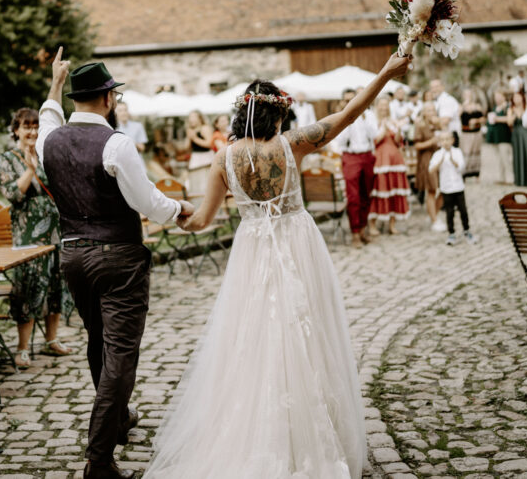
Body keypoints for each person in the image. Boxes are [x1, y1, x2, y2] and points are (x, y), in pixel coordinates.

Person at [144, 52, 412, 479]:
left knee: (253, 341)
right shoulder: (295, 145)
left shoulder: (222, 159)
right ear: (278, 114)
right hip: (298, 245)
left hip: (252, 252)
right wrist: (385, 72)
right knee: (306, 335)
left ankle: (259, 435)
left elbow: (198, 222)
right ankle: (307, 435)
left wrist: (167, 210)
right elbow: (348, 114)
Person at [36, 48, 193, 479]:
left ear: (75, 100)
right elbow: (147, 202)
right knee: (120, 355)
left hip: (72, 256)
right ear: (108, 99)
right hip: (118, 258)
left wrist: (54, 81)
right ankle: (99, 460)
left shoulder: (47, 139)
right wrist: (181, 209)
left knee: (97, 340)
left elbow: (48, 114)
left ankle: (119, 419)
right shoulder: (116, 142)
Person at [0, 108, 74, 369]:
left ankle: (51, 340)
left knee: (56, 284)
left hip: (56, 229)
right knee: (29, 287)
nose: (31, 131)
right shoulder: (8, 158)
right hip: (28, 232)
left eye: (35, 126)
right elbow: (12, 194)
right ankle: (22, 347)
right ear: (16, 130)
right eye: (25, 126)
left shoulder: (47, 155)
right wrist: (29, 170)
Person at [330, 88, 378, 247]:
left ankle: (363, 229)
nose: (351, 101)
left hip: (367, 156)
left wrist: (362, 117)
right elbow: (340, 141)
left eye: (354, 98)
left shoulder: (369, 114)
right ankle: (355, 233)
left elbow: (374, 135)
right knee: (353, 197)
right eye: (347, 99)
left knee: (366, 194)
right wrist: (349, 119)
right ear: (343, 101)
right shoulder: (342, 117)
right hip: (350, 156)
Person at [369, 96, 410, 234]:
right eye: (381, 105)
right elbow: (373, 141)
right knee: (379, 191)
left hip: (395, 160)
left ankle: (392, 225)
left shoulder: (393, 121)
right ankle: (373, 224)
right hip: (380, 160)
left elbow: (398, 142)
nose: (384, 108)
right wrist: (383, 129)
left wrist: (397, 129)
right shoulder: (372, 121)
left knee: (394, 191)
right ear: (377, 106)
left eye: (386, 105)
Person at [429, 130, 477, 246]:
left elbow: (462, 167)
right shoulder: (437, 154)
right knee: (449, 212)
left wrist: (453, 162)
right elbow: (431, 170)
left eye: (447, 139)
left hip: (458, 187)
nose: (445, 142)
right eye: (443, 140)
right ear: (440, 142)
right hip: (446, 188)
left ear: (452, 140)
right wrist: (439, 163)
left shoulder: (457, 152)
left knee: (463, 210)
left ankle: (467, 230)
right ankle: (451, 233)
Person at [412, 101, 443, 232]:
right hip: (427, 159)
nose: (431, 113)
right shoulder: (420, 126)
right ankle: (434, 220)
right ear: (424, 112)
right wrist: (431, 142)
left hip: (439, 158)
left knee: (443, 189)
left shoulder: (437, 125)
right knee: (431, 190)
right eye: (429, 110)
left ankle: (433, 215)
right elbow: (417, 146)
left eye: (433, 110)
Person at [485, 90, 513, 184]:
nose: (497, 99)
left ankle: (510, 178)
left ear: (504, 97)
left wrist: (497, 119)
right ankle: (501, 177)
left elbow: (509, 119)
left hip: (504, 136)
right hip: (495, 137)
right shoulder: (495, 108)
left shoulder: (507, 107)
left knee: (506, 158)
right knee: (499, 159)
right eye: (496, 97)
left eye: (499, 96)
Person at [508, 91, 527, 187]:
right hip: (516, 134)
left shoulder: (526, 107)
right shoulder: (511, 109)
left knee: (526, 154)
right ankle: (519, 180)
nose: (516, 99)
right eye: (514, 98)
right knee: (517, 155)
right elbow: (509, 123)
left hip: (525, 133)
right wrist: (515, 114)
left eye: (518, 97)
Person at [185, 110, 214, 196]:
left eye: (193, 117)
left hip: (205, 157)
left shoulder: (204, 128)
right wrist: (189, 137)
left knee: (205, 181)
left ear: (199, 118)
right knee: (194, 181)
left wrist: (195, 139)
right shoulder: (190, 130)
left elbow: (209, 144)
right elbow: (186, 148)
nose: (191, 120)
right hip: (195, 157)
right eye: (190, 117)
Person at [459, 88, 485, 179]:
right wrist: (463, 106)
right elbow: (457, 116)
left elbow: (483, 119)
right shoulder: (461, 106)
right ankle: (465, 173)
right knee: (466, 152)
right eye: (466, 94)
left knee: (476, 152)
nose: (468, 96)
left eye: (469, 94)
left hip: (476, 133)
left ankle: (476, 173)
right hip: (466, 133)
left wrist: (476, 120)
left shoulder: (477, 106)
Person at [430, 79, 461, 146]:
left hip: (450, 138)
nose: (434, 89)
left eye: (436, 86)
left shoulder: (447, 100)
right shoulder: (438, 100)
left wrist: (433, 120)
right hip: (444, 138)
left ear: (442, 87)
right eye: (432, 87)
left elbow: (445, 121)